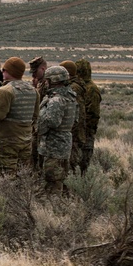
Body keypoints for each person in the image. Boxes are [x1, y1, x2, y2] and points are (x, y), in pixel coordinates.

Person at [0, 57, 39, 178]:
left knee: (6, 177)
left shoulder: (5, 91)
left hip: (7, 141)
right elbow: (35, 114)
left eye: (4, 70)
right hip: (25, 140)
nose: (2, 72)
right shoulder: (33, 90)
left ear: (9, 72)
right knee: (23, 176)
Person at [37, 66, 78, 194]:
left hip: (53, 146)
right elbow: (75, 120)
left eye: (47, 80)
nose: (46, 83)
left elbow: (52, 122)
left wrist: (41, 118)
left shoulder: (56, 100)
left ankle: (52, 208)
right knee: (58, 178)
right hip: (63, 143)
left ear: (53, 80)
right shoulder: (71, 97)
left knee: (52, 179)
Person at [76, 59, 102, 173]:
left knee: (83, 164)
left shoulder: (91, 89)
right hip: (79, 132)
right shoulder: (79, 86)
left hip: (86, 132)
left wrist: (86, 129)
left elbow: (93, 114)